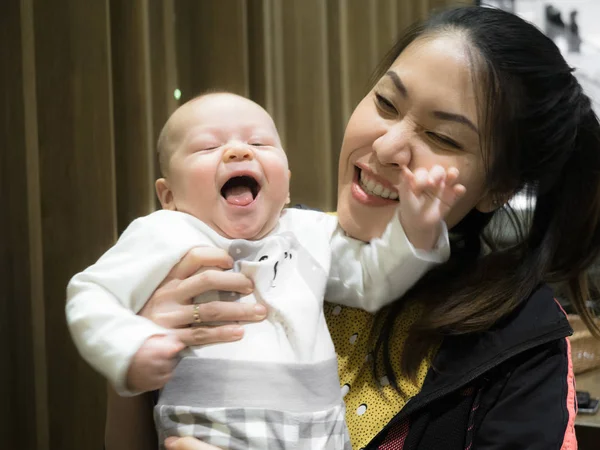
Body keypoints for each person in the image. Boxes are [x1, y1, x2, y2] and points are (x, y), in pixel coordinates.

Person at [105, 6, 600, 450]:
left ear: (497, 187)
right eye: (386, 103)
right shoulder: (259, 249)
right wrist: (136, 343)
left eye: (442, 136)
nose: (387, 147)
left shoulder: (522, 343)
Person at [67, 92, 463, 448]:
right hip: (214, 433)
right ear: (168, 195)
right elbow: (91, 293)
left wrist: (415, 229)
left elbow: (372, 280)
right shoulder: (165, 232)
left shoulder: (312, 234)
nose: (238, 151)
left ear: (286, 187)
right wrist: (128, 346)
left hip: (320, 435)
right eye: (208, 147)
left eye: (259, 143)